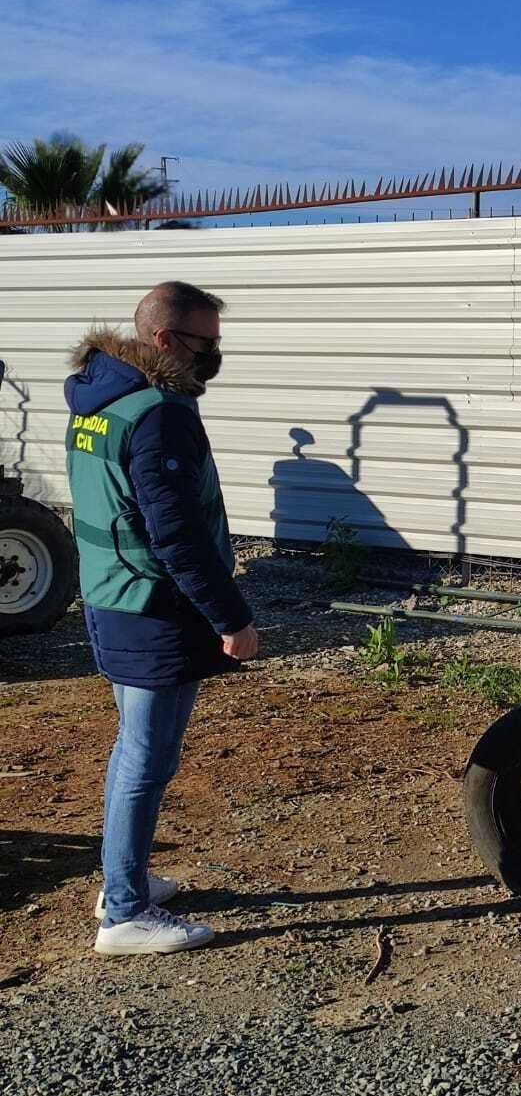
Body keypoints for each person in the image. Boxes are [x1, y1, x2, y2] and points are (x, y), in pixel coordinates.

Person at [65, 280, 259, 956]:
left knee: (133, 750)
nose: (215, 355)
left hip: (113, 598)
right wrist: (231, 616)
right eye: (207, 342)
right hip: (154, 610)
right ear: (166, 341)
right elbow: (176, 533)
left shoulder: (99, 396)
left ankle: (124, 876)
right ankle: (124, 913)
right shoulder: (158, 412)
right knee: (149, 756)